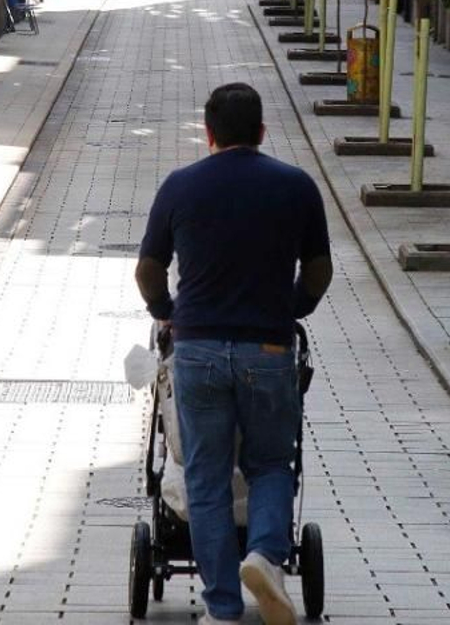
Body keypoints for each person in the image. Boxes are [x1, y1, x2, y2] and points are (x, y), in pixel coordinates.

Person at [134, 84, 334, 625]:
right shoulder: (297, 186)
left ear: (209, 133)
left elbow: (148, 268)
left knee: (205, 477)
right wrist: (294, 307)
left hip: (196, 349)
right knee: (271, 463)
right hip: (268, 347)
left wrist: (165, 309)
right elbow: (319, 270)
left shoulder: (180, 186)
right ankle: (266, 555)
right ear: (263, 132)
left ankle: (221, 607)